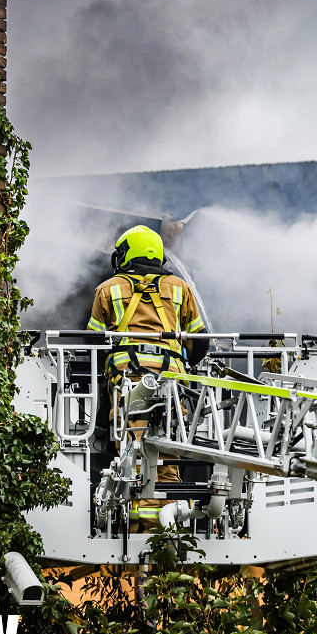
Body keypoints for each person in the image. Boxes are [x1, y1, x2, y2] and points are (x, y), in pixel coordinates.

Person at [86, 224, 208, 531]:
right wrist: (180, 363)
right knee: (167, 450)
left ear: (127, 252)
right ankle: (166, 523)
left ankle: (139, 524)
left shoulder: (108, 289)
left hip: (128, 383)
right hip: (172, 385)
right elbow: (200, 342)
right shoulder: (180, 288)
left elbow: (92, 343)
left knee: (132, 451)